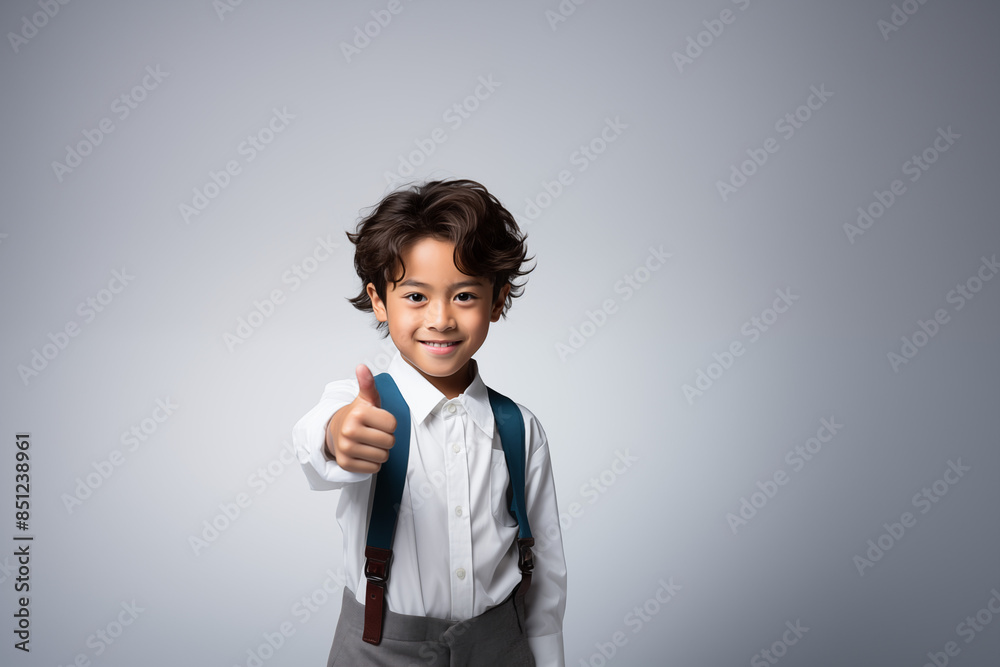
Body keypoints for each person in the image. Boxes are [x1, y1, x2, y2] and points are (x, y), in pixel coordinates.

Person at [292, 179, 567, 666]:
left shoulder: (522, 429)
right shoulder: (363, 406)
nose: (440, 319)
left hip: (501, 646)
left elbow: (545, 579)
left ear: (497, 300)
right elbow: (319, 441)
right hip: (380, 649)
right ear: (379, 301)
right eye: (416, 297)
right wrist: (340, 436)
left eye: (463, 296)